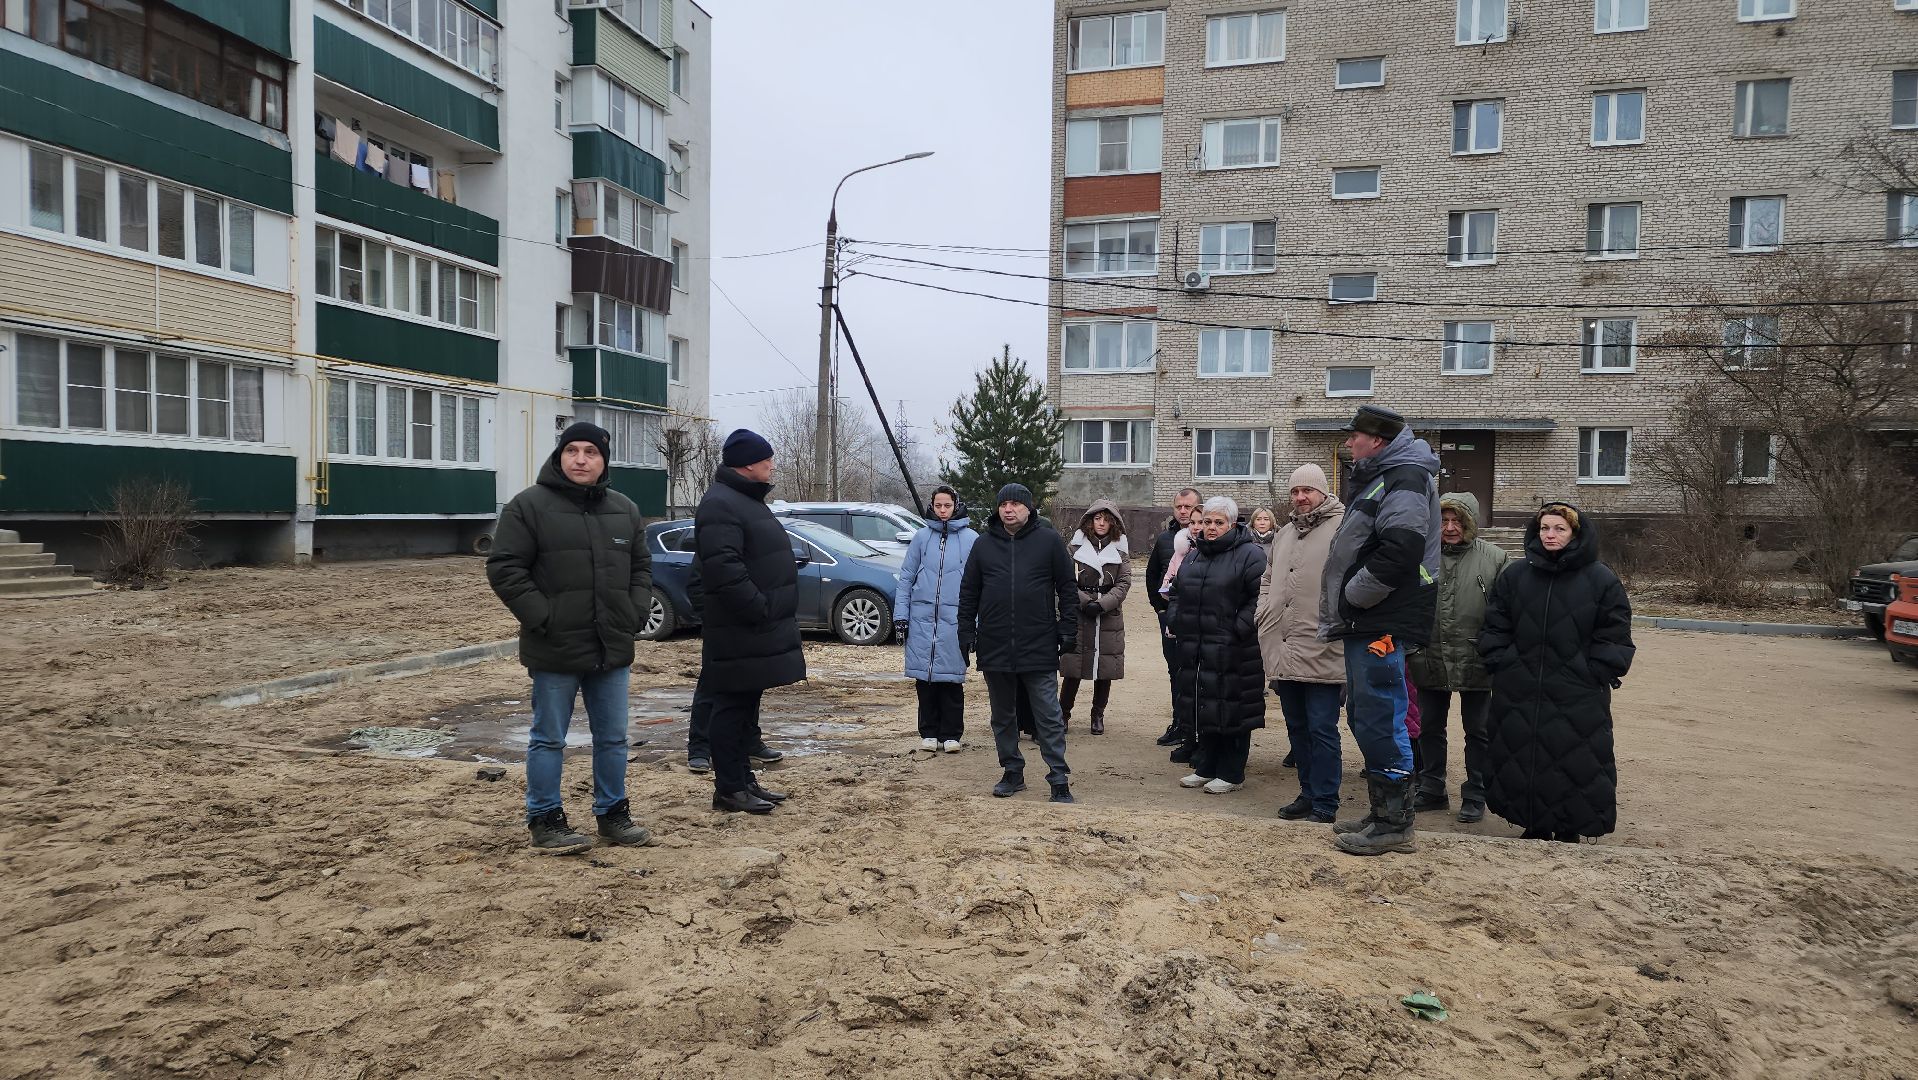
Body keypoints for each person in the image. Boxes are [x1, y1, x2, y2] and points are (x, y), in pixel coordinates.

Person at [486, 422, 656, 853]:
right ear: (560, 455)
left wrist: (634, 613)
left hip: (611, 645)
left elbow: (641, 568)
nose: (581, 459)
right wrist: (543, 617)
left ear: (604, 460)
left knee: (613, 738)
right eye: (572, 450)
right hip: (555, 645)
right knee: (549, 738)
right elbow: (505, 568)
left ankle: (613, 815)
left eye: (591, 452)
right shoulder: (528, 506)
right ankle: (545, 819)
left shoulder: (624, 510)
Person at [1321, 405, 1440, 857]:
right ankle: (1382, 814)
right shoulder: (1385, 477)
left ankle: (1394, 824)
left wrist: (1356, 595)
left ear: (1377, 440)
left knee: (1382, 715)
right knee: (1367, 712)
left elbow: (1402, 548)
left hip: (1382, 618)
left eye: (1355, 436)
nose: (1348, 443)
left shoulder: (1405, 477)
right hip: (1372, 618)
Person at [1477, 503, 1635, 842]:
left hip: (1577, 692)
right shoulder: (1516, 576)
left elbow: (1615, 632)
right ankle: (1532, 824)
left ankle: (1568, 828)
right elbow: (1495, 623)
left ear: (1575, 534)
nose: (1550, 535)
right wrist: (1502, 662)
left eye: (1559, 529)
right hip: (1520, 688)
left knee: (1574, 760)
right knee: (1522, 756)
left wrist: (1594, 672)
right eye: (1544, 528)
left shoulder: (1600, 579)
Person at [693, 429, 804, 814]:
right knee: (729, 709)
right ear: (747, 463)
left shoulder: (743, 499)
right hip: (739, 627)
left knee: (744, 710)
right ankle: (728, 788)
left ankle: (744, 780)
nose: (772, 464)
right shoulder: (721, 504)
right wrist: (758, 607)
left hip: (752, 629)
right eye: (766, 458)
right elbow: (723, 568)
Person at [957, 483, 1078, 804]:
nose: (1008, 509)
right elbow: (969, 592)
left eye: (1015, 504)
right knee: (1002, 715)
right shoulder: (983, 545)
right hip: (994, 643)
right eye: (1003, 504)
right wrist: (965, 632)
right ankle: (1012, 771)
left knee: (1048, 715)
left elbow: (1067, 587)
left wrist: (1068, 628)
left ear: (1029, 507)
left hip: (1039, 642)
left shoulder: (1048, 541)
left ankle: (1058, 777)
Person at [1406, 492, 1510, 824]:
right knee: (1429, 727)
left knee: (1478, 730)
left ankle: (1476, 792)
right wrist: (1412, 646)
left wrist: (1495, 648)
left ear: (1470, 523)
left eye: (1458, 521)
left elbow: (1507, 611)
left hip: (1476, 657)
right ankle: (1432, 787)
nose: (1450, 528)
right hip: (1429, 654)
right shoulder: (1422, 556)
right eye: (1445, 520)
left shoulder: (1495, 559)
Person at [1257, 465, 1346, 824]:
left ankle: (1326, 801)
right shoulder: (1286, 533)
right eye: (1295, 491)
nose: (1300, 497)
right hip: (1284, 644)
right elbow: (1268, 578)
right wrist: (1263, 612)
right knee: (1297, 727)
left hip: (1323, 645)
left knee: (1322, 728)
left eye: (1307, 490)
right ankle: (1307, 793)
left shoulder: (1342, 528)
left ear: (1322, 492)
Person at [1169, 497, 1268, 794]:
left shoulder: (1251, 555)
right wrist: (1176, 619)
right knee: (1206, 705)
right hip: (1198, 646)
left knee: (1233, 709)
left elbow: (1259, 597)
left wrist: (1237, 629)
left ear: (1232, 524)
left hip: (1235, 649)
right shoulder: (1194, 555)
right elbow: (1176, 592)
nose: (1211, 528)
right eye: (1207, 522)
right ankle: (1207, 766)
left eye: (1218, 523)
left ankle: (1231, 772)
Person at [893, 485, 977, 754]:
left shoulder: (971, 539)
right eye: (938, 505)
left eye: (947, 506)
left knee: (951, 680)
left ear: (956, 506)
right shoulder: (921, 537)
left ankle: (951, 733)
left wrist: (975, 624)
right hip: (922, 619)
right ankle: (928, 732)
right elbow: (906, 578)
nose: (942, 510)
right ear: (932, 506)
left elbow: (979, 584)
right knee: (925, 680)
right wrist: (901, 616)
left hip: (955, 619)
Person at [684, 557, 783, 774]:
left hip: (753, 627)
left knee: (752, 686)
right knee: (711, 685)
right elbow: (696, 584)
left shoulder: (756, 544)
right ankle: (700, 748)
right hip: (721, 629)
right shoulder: (714, 542)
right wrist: (712, 619)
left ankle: (750, 741)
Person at [1060, 500, 1130, 736]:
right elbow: (1065, 579)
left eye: (1107, 519)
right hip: (1079, 612)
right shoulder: (1074, 548)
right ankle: (1063, 713)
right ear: (1090, 521)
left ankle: (1097, 714)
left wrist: (1102, 604)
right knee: (1074, 666)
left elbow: (1123, 583)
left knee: (1104, 667)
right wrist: (1084, 602)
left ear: (1113, 523)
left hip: (1108, 615)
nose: (1102, 523)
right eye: (1098, 518)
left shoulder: (1120, 550)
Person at [1145, 488, 1202, 746]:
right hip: (1170, 616)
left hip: (1200, 619)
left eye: (1188, 506)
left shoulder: (1207, 538)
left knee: (1197, 673)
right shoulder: (1165, 540)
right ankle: (1179, 723)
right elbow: (1152, 574)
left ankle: (1196, 727)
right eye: (1179, 506)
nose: (1183, 511)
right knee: (1175, 670)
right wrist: (1160, 608)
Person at [1160, 515, 1207, 764]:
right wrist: (1171, 614)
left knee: (1206, 688)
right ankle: (1188, 737)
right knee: (1186, 683)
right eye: (1194, 523)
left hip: (1209, 628)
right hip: (1185, 627)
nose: (1198, 527)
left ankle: (1205, 744)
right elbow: (1170, 584)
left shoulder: (1223, 554)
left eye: (1203, 522)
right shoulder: (1183, 553)